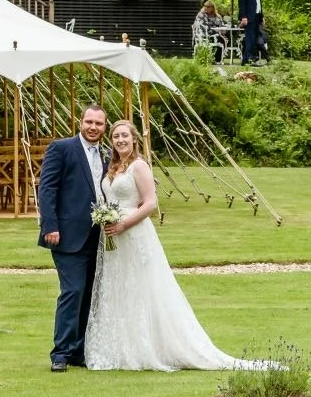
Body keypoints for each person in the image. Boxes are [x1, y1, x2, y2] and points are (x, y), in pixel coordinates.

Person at [84, 121, 270, 371]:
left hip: (134, 232)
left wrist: (123, 224)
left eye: (125, 136)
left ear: (134, 139)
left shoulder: (139, 166)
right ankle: (124, 349)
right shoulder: (113, 167)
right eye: (116, 136)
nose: (120, 140)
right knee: (120, 286)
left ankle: (151, 348)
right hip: (114, 236)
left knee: (143, 287)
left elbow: (150, 204)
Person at [36, 105, 109, 372]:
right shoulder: (61, 148)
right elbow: (47, 188)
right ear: (80, 122)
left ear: (104, 127)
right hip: (66, 236)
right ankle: (61, 353)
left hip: (98, 238)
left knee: (90, 294)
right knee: (73, 291)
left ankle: (79, 350)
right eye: (89, 121)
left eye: (98, 123)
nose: (93, 127)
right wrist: (50, 226)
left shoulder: (107, 154)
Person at [238, 0, 266, 65]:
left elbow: (259, 3)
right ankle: (249, 59)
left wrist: (262, 17)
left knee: (254, 39)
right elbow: (242, 3)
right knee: (250, 38)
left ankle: (247, 59)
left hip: (257, 16)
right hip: (249, 17)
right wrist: (243, 17)